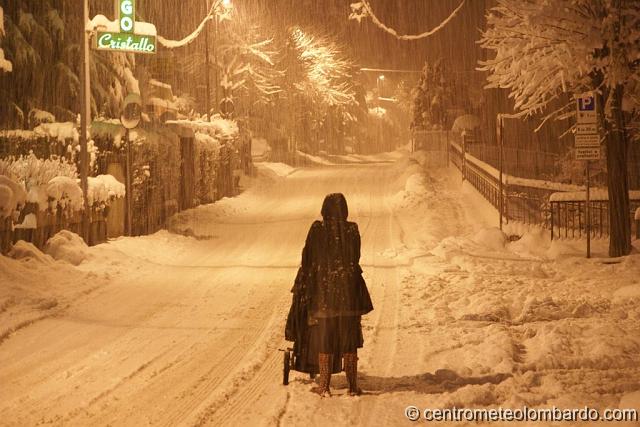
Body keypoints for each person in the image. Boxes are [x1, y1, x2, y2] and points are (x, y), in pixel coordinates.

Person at [285, 193, 373, 397]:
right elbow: (355, 256)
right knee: (349, 338)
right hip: (350, 293)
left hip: (324, 293)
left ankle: (324, 385)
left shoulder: (317, 229)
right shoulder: (352, 229)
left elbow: (307, 257)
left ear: (324, 209)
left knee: (326, 337)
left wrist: (309, 279)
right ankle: (352, 386)